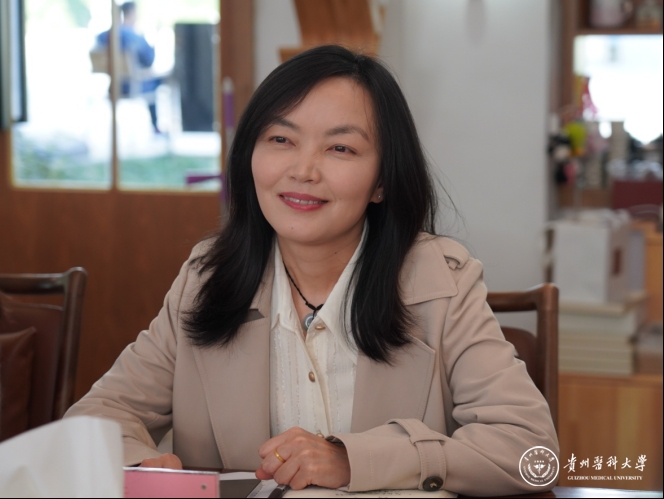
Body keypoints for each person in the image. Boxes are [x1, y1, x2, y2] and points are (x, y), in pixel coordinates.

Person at [65, 45, 558, 496]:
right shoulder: (206, 279)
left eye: (340, 148)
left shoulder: (440, 282)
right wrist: (141, 468)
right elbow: (96, 419)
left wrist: (353, 459)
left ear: (382, 181)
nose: (303, 170)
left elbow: (532, 451)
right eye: (281, 139)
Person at [95, 1, 163, 133]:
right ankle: (156, 127)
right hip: (131, 87)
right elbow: (149, 60)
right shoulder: (134, 37)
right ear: (132, 13)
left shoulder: (105, 36)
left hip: (113, 87)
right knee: (159, 80)